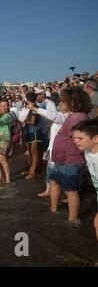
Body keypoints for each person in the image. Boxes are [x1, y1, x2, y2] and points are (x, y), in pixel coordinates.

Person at [48, 87, 92, 224]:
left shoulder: (78, 117)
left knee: (71, 191)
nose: (60, 103)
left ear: (72, 102)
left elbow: (79, 138)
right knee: (54, 182)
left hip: (71, 160)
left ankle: (73, 219)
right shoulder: (73, 116)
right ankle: (53, 209)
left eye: (63, 100)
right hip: (61, 159)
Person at [72, 118, 98, 240]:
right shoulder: (88, 152)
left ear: (96, 139)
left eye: (80, 138)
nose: (75, 141)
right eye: (74, 138)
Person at [22, 92, 42, 180]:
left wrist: (24, 121)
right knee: (31, 152)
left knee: (34, 152)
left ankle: (32, 171)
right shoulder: (32, 108)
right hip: (31, 132)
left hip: (34, 132)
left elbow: (33, 122)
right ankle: (32, 168)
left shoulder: (34, 108)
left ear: (29, 100)